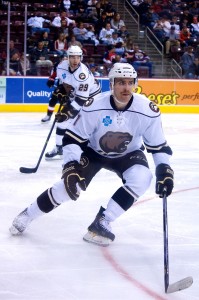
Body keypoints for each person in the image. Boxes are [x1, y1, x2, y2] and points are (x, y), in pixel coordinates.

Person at [9, 63, 174, 247]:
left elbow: (158, 146)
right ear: (111, 84)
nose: (126, 87)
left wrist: (164, 169)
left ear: (135, 84)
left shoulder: (147, 110)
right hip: (94, 152)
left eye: (130, 82)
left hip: (128, 154)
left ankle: (103, 221)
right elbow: (73, 138)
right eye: (120, 82)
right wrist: (71, 166)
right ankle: (27, 214)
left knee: (143, 178)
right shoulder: (94, 106)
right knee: (68, 187)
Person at [44, 45, 101, 159]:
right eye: (72, 57)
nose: (75, 60)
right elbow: (64, 82)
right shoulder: (61, 67)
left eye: (78, 57)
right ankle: (59, 148)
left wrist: (68, 110)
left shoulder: (83, 74)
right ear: (68, 57)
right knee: (62, 122)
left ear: (81, 58)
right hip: (77, 95)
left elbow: (81, 99)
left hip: (91, 98)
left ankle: (95, 147)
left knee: (86, 124)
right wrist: (64, 90)